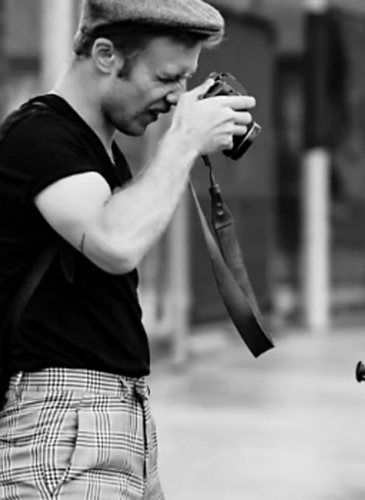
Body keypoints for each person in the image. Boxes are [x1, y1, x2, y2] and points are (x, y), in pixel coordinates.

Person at [0, 0, 256, 497]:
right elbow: (115, 243)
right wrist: (182, 143)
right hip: (63, 424)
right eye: (166, 77)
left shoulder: (101, 154)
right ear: (105, 55)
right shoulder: (39, 138)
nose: (178, 98)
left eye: (186, 80)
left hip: (118, 416)